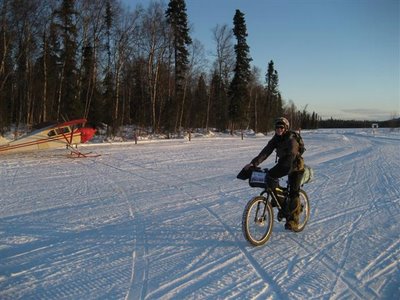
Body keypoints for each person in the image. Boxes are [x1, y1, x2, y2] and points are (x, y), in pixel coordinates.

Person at [243, 117, 305, 230]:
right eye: (277, 127)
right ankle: (281, 202)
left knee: (293, 192)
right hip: (283, 164)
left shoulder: (291, 139)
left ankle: (294, 220)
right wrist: (253, 164)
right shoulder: (276, 139)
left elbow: (292, 153)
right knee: (270, 177)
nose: (279, 129)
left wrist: (284, 167)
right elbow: (266, 151)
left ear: (286, 128)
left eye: (281, 127)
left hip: (295, 166)